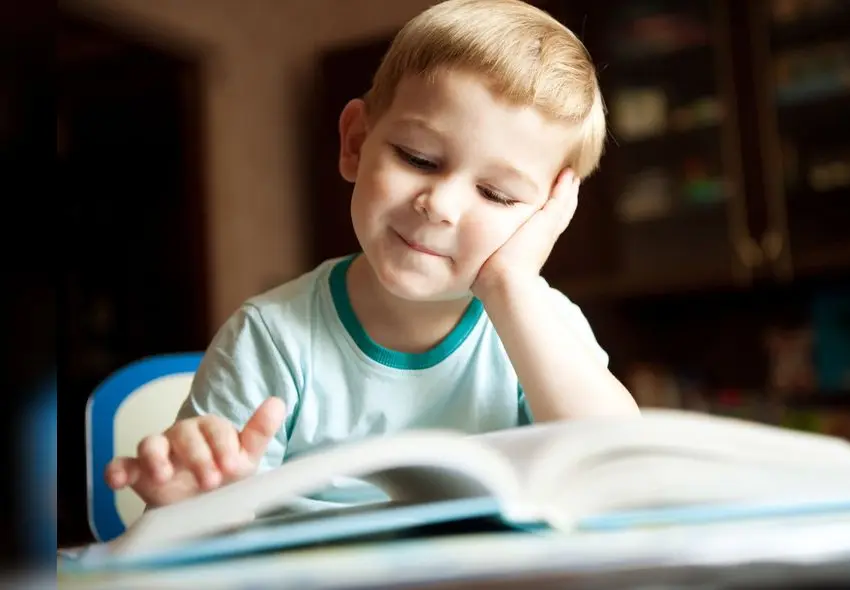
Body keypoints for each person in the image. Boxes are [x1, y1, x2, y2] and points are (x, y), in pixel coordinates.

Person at [104, 0, 639, 511]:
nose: (441, 206)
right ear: (356, 142)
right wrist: (189, 503)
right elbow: (204, 532)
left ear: (549, 214)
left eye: (497, 194)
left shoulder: (541, 328)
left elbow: (618, 473)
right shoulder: (271, 338)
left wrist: (510, 285)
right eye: (418, 158)